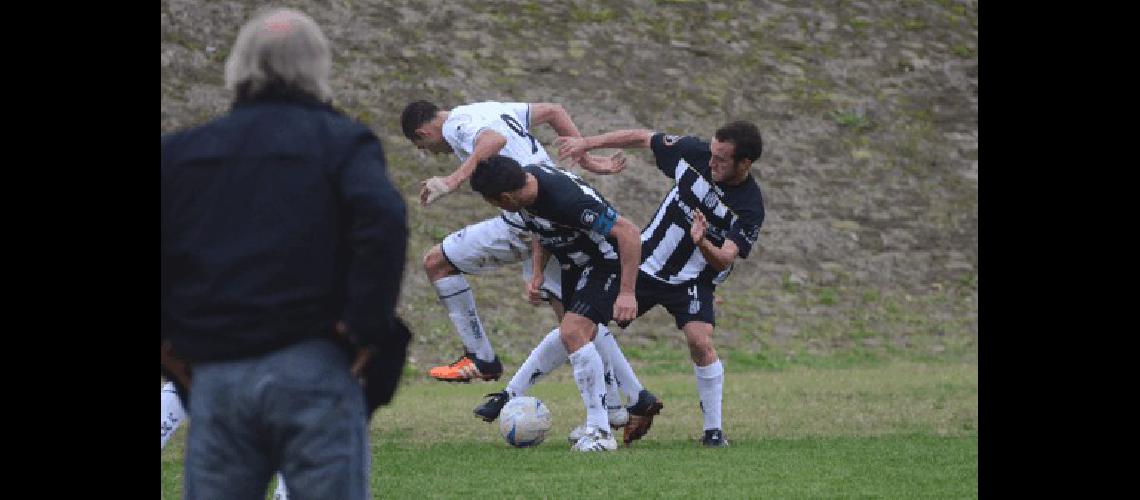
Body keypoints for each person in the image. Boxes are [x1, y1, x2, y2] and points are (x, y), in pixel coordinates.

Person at [161, 7, 408, 499]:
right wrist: (363, 325)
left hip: (219, 373)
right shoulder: (343, 143)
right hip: (314, 364)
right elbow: (383, 222)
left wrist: (169, 339)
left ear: (238, 66)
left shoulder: (182, 152)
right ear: (318, 67)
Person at [555, 120, 767, 448]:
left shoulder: (750, 206)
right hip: (642, 262)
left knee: (700, 340)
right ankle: (607, 413)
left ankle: (713, 432)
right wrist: (586, 143)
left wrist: (702, 243)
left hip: (692, 280)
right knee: (581, 323)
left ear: (745, 164)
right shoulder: (695, 154)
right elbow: (642, 137)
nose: (712, 163)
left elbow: (725, 258)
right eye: (712, 154)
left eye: (722, 159)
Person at [399, 99, 625, 384]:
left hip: (526, 217)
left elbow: (494, 140)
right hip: (555, 205)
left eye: (425, 149)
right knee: (575, 320)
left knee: (437, 263)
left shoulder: (456, 126)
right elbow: (554, 110)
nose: (434, 154)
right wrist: (587, 159)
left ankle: (481, 358)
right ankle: (635, 400)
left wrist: (451, 181)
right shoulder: (489, 108)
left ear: (422, 134)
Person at [469, 155, 643, 452]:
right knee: (574, 333)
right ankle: (609, 414)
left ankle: (600, 431)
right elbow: (541, 231)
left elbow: (628, 233)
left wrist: (627, 292)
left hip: (606, 262)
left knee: (573, 332)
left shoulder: (567, 200)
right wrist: (537, 273)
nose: (498, 209)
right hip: (576, 264)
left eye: (495, 203)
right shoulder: (526, 193)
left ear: (506, 197)